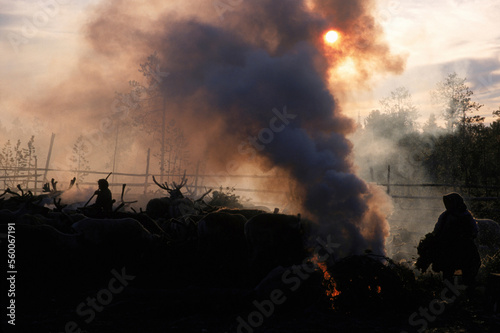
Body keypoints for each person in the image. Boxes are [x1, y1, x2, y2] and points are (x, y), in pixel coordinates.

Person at [432, 192, 480, 287]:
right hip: (453, 249)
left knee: (464, 272)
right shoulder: (446, 216)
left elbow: (474, 231)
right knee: (450, 273)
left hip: (461, 249)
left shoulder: (463, 216)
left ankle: (466, 293)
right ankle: (454, 294)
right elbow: (437, 231)